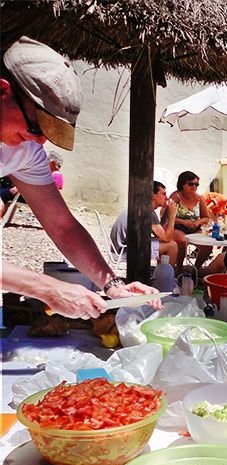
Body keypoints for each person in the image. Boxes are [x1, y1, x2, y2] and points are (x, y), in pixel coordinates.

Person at [0, 36, 156, 318]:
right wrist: (49, 289)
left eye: (49, 134)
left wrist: (112, 285)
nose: (39, 143)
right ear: (2, 91)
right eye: (37, 128)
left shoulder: (23, 148)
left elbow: (63, 226)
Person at [110, 181, 179, 269]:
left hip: (120, 247)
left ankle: (159, 275)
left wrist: (167, 213)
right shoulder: (147, 211)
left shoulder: (140, 206)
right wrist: (172, 216)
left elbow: (159, 234)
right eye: (163, 194)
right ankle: (167, 279)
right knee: (172, 246)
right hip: (125, 251)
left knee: (165, 243)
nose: (166, 198)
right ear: (153, 195)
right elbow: (166, 238)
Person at [168, 170, 214, 269]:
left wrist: (198, 222)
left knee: (208, 246)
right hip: (178, 227)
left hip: (194, 228)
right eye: (191, 184)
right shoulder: (175, 197)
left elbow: (206, 217)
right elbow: (166, 216)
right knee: (182, 241)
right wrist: (183, 222)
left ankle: (196, 269)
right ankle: (179, 268)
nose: (194, 187)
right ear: (182, 184)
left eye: (196, 184)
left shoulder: (199, 198)